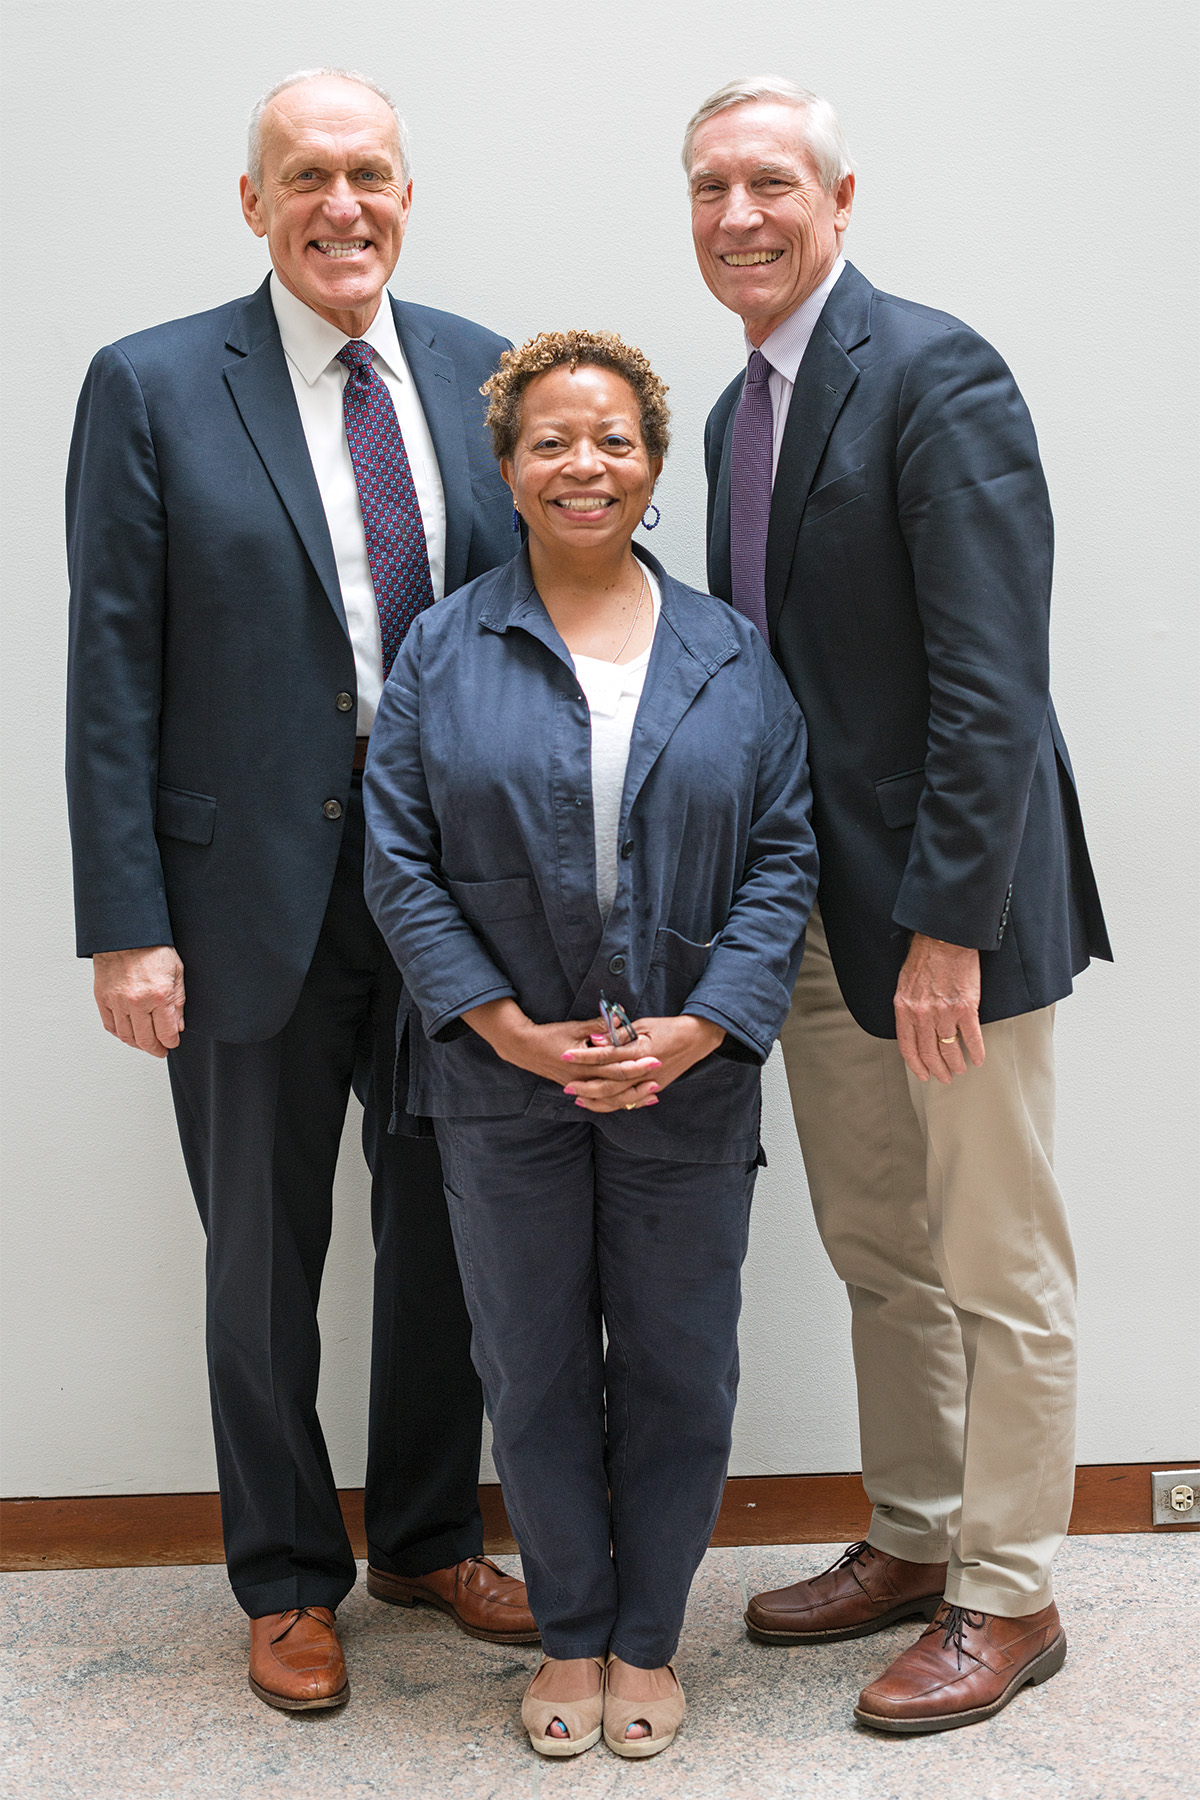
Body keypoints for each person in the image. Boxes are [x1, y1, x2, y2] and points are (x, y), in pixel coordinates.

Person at [64, 67, 536, 1712]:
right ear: (252, 202)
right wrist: (126, 919)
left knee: (455, 1236)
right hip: (241, 900)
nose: (347, 204)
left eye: (375, 173)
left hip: (455, 899)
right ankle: (282, 1574)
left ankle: (421, 1529)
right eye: (311, 175)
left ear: (408, 194)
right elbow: (112, 668)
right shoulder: (149, 385)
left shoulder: (488, 373)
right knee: (258, 1256)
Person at [686, 76, 1111, 1734]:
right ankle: (920, 1536)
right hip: (813, 917)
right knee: (879, 1247)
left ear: (839, 199)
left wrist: (950, 928)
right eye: (711, 186)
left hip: (956, 917)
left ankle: (1013, 1595)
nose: (741, 215)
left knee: (997, 1258)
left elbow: (995, 687)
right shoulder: (731, 419)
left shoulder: (936, 372)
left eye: (772, 183)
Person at [363, 330, 818, 1758]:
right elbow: (399, 859)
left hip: (690, 1079)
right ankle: (568, 1633)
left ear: (652, 465)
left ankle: (646, 1638)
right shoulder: (445, 646)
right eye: (552, 440)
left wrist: (699, 1028)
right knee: (535, 1362)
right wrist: (503, 1029)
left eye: (613, 439)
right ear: (505, 468)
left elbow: (785, 854)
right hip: (501, 1086)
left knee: (682, 1362)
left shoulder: (730, 647)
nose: (585, 464)